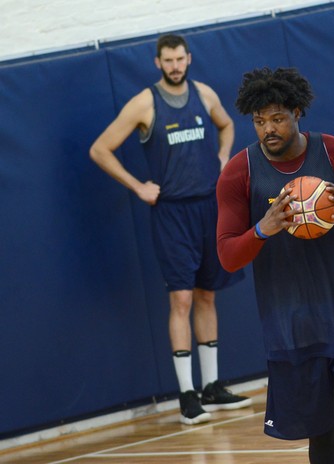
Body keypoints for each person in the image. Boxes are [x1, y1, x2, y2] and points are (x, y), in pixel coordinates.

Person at [216, 67, 334, 464]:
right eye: (259, 121)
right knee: (322, 437)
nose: (268, 129)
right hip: (294, 327)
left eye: (277, 118)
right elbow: (228, 257)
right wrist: (262, 229)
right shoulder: (238, 173)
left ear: (298, 112)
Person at [89, 34, 251, 425]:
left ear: (189, 59)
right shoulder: (145, 102)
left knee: (207, 295)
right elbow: (99, 149)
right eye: (169, 60)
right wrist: (137, 186)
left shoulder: (205, 94)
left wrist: (223, 154)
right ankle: (186, 396)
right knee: (181, 300)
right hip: (172, 214)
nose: (176, 65)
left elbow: (227, 125)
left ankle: (211, 387)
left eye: (181, 58)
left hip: (209, 208)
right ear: (158, 63)